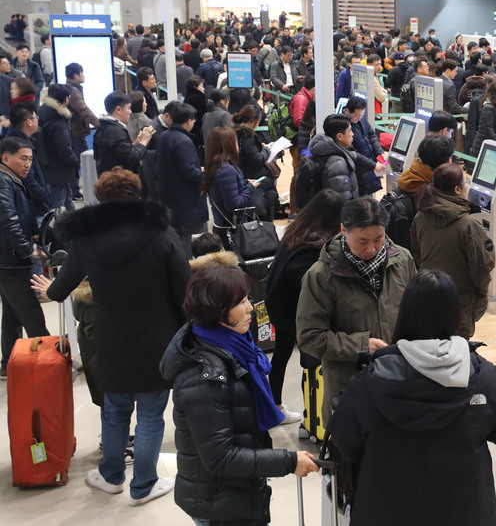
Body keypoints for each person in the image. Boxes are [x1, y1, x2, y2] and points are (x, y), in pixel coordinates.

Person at [33, 168, 191, 506]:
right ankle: (144, 485)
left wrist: (52, 288)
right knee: (151, 414)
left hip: (111, 337)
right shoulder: (162, 233)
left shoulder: (86, 238)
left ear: (100, 197)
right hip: (157, 337)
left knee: (115, 410)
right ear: (137, 195)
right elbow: (184, 288)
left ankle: (111, 476)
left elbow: (63, 286)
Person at [329, 270, 496, 526]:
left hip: (386, 510)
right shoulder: (482, 376)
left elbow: (346, 442)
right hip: (465, 511)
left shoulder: (370, 381)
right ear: (455, 314)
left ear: (405, 312)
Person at [160, 266, 320, 525]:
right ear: (216, 311)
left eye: (247, 299)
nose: (250, 309)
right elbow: (220, 458)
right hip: (218, 502)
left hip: (235, 492)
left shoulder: (235, 348)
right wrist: (288, 461)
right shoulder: (206, 377)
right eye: (240, 302)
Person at [296, 197, 417, 426]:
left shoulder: (403, 260)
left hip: (400, 385)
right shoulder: (321, 276)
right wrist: (362, 344)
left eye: (378, 238)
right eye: (362, 241)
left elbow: (416, 314)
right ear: (343, 230)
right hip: (350, 390)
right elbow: (310, 337)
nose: (371, 249)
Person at [264, 190, 345, 423]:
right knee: (310, 362)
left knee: (281, 357)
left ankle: (275, 406)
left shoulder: (299, 228)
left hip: (277, 301)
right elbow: (298, 274)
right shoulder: (313, 243)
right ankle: (306, 415)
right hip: (290, 310)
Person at [410, 163, 495, 339]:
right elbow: (482, 267)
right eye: (465, 183)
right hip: (459, 302)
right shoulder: (469, 226)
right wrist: (481, 296)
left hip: (427, 295)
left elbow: (416, 254)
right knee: (457, 352)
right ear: (457, 189)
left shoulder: (420, 216)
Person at [0, 137, 48, 379]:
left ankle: (8, 364)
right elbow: (7, 220)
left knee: (11, 313)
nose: (28, 163)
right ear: (5, 158)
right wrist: (27, 249)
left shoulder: (12, 179)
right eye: (23, 158)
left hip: (8, 258)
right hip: (10, 259)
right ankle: (50, 363)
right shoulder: (4, 181)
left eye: (30, 158)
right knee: (32, 315)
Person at [155, 102, 207, 257]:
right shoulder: (183, 141)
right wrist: (208, 176)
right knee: (190, 248)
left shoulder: (165, 136)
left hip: (171, 200)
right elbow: (190, 171)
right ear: (189, 121)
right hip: (187, 204)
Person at [297, 115, 382, 206]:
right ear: (339, 136)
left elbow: (356, 156)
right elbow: (343, 202)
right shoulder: (338, 164)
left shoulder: (327, 149)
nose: (352, 134)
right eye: (349, 130)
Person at [203, 127, 256, 250]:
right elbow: (234, 204)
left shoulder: (216, 165)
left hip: (223, 226)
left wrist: (244, 184)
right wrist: (250, 187)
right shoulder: (226, 170)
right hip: (230, 229)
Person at [3, 103, 50, 219]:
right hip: (29, 208)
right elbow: (28, 179)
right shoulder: (18, 146)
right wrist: (43, 195)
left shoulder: (21, 141)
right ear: (29, 121)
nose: (38, 121)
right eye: (36, 118)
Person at [38, 84, 79, 211]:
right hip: (59, 168)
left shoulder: (44, 113)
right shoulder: (59, 121)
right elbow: (64, 149)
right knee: (56, 205)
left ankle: (73, 222)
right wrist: (75, 161)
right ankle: (55, 228)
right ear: (66, 99)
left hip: (50, 165)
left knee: (67, 198)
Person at [93, 91, 153, 177]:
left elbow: (120, 154)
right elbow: (131, 159)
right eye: (128, 108)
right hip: (119, 183)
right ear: (118, 109)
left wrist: (136, 143)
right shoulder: (115, 131)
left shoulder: (104, 126)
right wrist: (143, 142)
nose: (130, 112)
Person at [64, 62, 101, 201]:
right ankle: (75, 190)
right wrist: (98, 124)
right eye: (82, 73)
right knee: (82, 160)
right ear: (76, 75)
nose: (84, 76)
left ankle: (74, 190)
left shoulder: (72, 88)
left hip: (76, 131)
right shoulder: (74, 91)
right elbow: (83, 110)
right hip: (75, 132)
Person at [470, 80, 496, 158]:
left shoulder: (495, 106)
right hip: (482, 148)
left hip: (489, 146)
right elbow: (488, 131)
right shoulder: (488, 108)